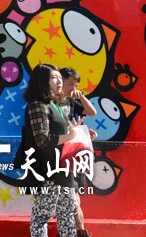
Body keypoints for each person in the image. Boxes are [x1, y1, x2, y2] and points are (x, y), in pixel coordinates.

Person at [23, 63, 81, 237]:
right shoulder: (37, 105)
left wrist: (80, 133)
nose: (59, 81)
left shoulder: (55, 104)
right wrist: (69, 136)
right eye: (53, 78)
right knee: (42, 215)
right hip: (47, 170)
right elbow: (43, 140)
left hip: (63, 167)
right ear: (42, 81)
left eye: (59, 78)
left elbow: (62, 131)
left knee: (68, 211)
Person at [60, 67, 98, 237]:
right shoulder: (53, 104)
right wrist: (73, 129)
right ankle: (79, 231)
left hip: (74, 153)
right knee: (68, 194)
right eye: (70, 84)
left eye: (76, 85)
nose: (73, 88)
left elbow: (92, 112)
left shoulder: (71, 102)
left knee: (74, 192)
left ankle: (79, 231)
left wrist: (81, 96)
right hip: (59, 153)